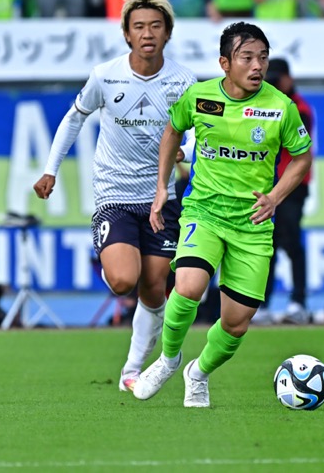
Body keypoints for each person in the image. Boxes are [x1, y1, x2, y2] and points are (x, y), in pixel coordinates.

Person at [133, 22, 313, 407]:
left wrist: (276, 197)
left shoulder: (280, 107)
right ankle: (167, 359)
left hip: (252, 224)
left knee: (236, 323)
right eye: (247, 57)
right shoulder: (198, 97)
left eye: (262, 57)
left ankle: (197, 373)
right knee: (189, 288)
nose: (257, 66)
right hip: (205, 212)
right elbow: (172, 132)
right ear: (224, 62)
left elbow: (301, 158)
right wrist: (162, 186)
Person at [33, 0, 197, 393]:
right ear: (126, 34)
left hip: (161, 197)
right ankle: (111, 258)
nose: (147, 34)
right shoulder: (105, 75)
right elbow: (75, 118)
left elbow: (196, 136)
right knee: (125, 280)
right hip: (114, 194)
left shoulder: (184, 81)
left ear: (168, 33)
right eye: (139, 26)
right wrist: (50, 170)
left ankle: (132, 367)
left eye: (156, 26)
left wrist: (185, 152)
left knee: (155, 288)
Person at [255, 58, 314, 325]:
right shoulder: (263, 104)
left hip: (292, 186)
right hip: (266, 186)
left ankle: (298, 302)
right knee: (268, 244)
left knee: (292, 243)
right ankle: (263, 303)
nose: (274, 84)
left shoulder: (298, 108)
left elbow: (286, 135)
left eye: (278, 79)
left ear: (289, 79)